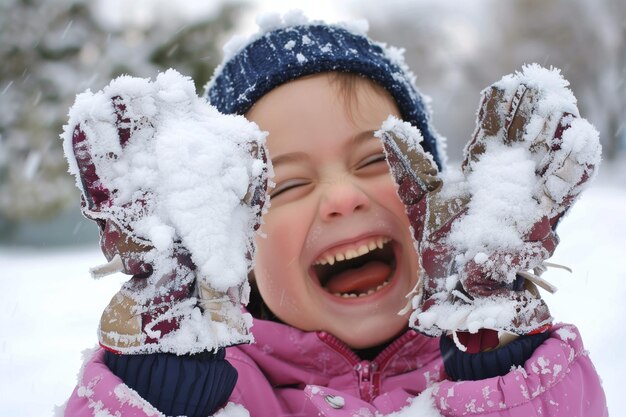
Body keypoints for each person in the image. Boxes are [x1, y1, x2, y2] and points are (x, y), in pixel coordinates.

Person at [62, 12, 608, 417]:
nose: (342, 197)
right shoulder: (215, 390)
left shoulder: (518, 370)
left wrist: (493, 349)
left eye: (376, 159)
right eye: (290, 183)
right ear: (231, 242)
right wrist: (163, 378)